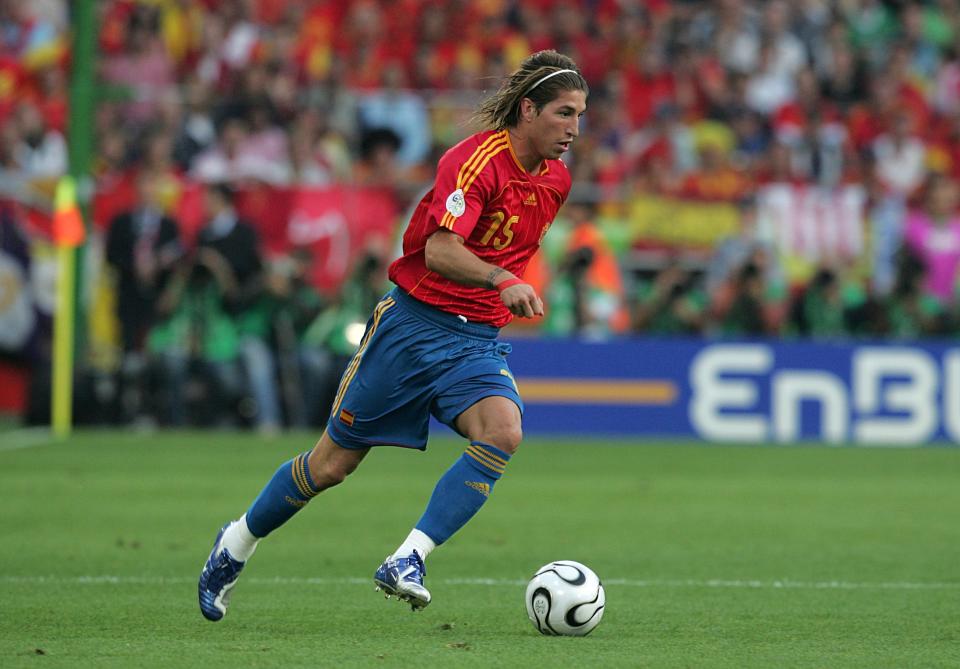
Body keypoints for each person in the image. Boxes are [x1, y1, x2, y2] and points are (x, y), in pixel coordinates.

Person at [198, 50, 588, 619]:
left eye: (580, 115)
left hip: (473, 340)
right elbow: (439, 248)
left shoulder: (557, 180)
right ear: (528, 109)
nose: (574, 129)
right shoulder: (473, 161)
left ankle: (408, 559)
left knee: (503, 431)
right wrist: (502, 278)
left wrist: (498, 296)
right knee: (330, 466)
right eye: (564, 113)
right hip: (412, 328)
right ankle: (235, 543)